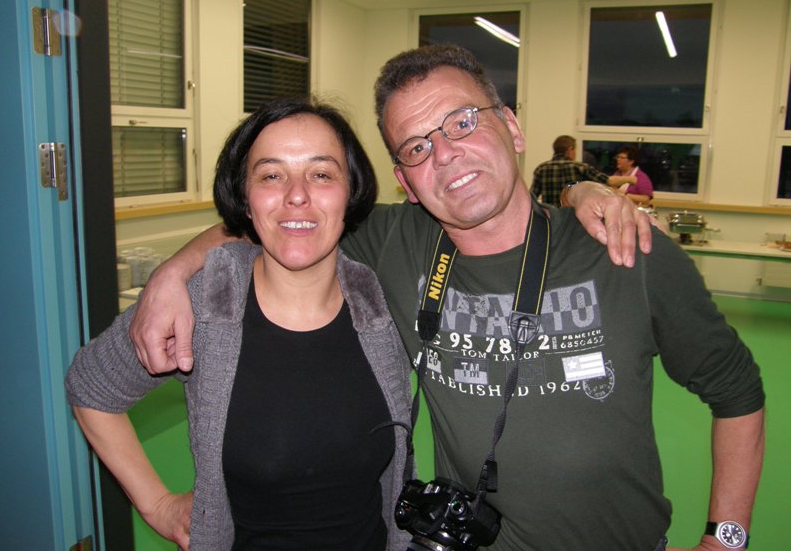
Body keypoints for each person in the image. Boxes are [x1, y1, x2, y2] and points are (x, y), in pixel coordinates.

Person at [130, 44, 764, 551]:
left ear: (511, 127)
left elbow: (736, 391)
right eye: (417, 146)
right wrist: (171, 275)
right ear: (405, 181)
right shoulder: (392, 242)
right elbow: (273, 218)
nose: (446, 154)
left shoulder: (625, 250)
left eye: (462, 122)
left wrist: (725, 538)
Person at [66, 99, 413, 551]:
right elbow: (91, 386)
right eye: (271, 175)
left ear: (351, 192)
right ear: (245, 199)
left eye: (321, 174)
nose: (297, 194)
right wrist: (158, 504)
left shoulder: (383, 302)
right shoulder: (207, 304)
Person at [530, 134, 636, 205]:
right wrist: (630, 179)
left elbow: (532, 198)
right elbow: (609, 181)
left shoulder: (541, 169)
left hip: (550, 219)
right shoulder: (580, 168)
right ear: (570, 150)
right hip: (573, 219)